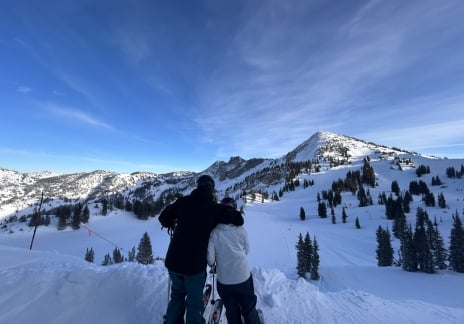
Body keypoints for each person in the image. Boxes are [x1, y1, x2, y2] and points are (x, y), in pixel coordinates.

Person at [159, 175, 244, 324]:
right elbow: (238, 219)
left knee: (177, 295)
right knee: (193, 301)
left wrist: (175, 217)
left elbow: (163, 219)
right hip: (194, 266)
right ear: (212, 190)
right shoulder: (215, 208)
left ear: (197, 186)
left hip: (174, 261)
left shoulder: (183, 201)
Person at [207, 197, 261, 324]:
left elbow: (210, 260)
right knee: (248, 308)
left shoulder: (214, 232)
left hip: (224, 281)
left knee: (232, 311)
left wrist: (216, 263)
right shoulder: (240, 229)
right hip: (243, 277)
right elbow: (247, 250)